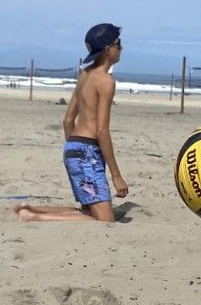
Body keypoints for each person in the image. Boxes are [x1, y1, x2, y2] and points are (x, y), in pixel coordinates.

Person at [13, 23, 129, 223]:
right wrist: (116, 175)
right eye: (118, 43)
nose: (122, 47)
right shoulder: (106, 81)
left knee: (90, 210)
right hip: (88, 151)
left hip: (73, 147)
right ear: (108, 49)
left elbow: (68, 120)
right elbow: (102, 130)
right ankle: (33, 216)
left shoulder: (84, 75)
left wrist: (74, 152)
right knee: (105, 220)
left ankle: (30, 209)